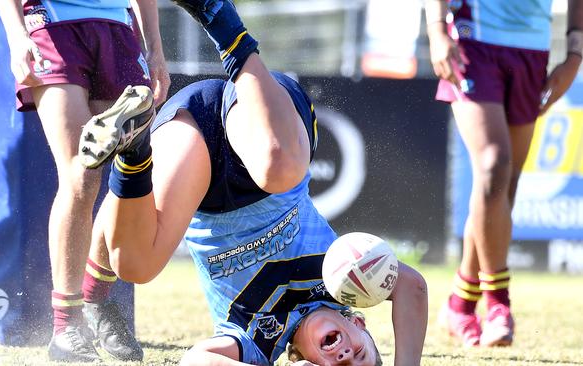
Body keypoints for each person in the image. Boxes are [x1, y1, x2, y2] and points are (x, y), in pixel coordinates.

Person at [79, 1, 428, 365]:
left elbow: (197, 361)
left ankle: (133, 150)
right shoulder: (348, 285)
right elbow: (412, 286)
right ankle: (222, 22)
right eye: (359, 353)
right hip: (262, 127)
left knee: (135, 267)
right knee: (279, 171)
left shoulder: (256, 346)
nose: (344, 355)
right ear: (357, 322)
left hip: (202, 162)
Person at [0, 0, 170, 362]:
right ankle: (65, 325)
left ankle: (95, 295)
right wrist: (16, 35)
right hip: (50, 22)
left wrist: (155, 46)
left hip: (118, 25)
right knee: (82, 172)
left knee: (131, 163)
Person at [425, 0, 583, 347]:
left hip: (532, 48)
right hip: (472, 38)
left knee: (502, 189)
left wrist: (575, 54)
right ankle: (498, 304)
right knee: (493, 166)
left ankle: (460, 303)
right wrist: (436, 28)